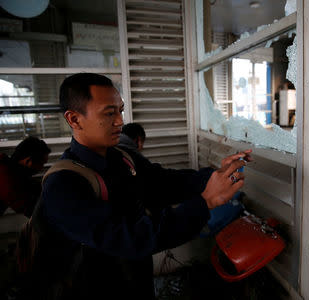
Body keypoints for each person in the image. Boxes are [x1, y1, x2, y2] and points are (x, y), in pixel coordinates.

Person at [23, 73, 251, 300]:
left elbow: (164, 183)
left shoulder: (122, 158)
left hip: (134, 282)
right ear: (74, 119)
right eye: (109, 113)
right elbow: (131, 237)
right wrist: (205, 202)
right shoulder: (63, 184)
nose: (120, 121)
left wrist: (216, 176)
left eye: (120, 110)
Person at [0, 136, 50, 218]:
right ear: (28, 161)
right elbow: (29, 209)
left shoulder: (11, 170)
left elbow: (31, 185)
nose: (41, 168)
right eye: (41, 163)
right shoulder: (6, 178)